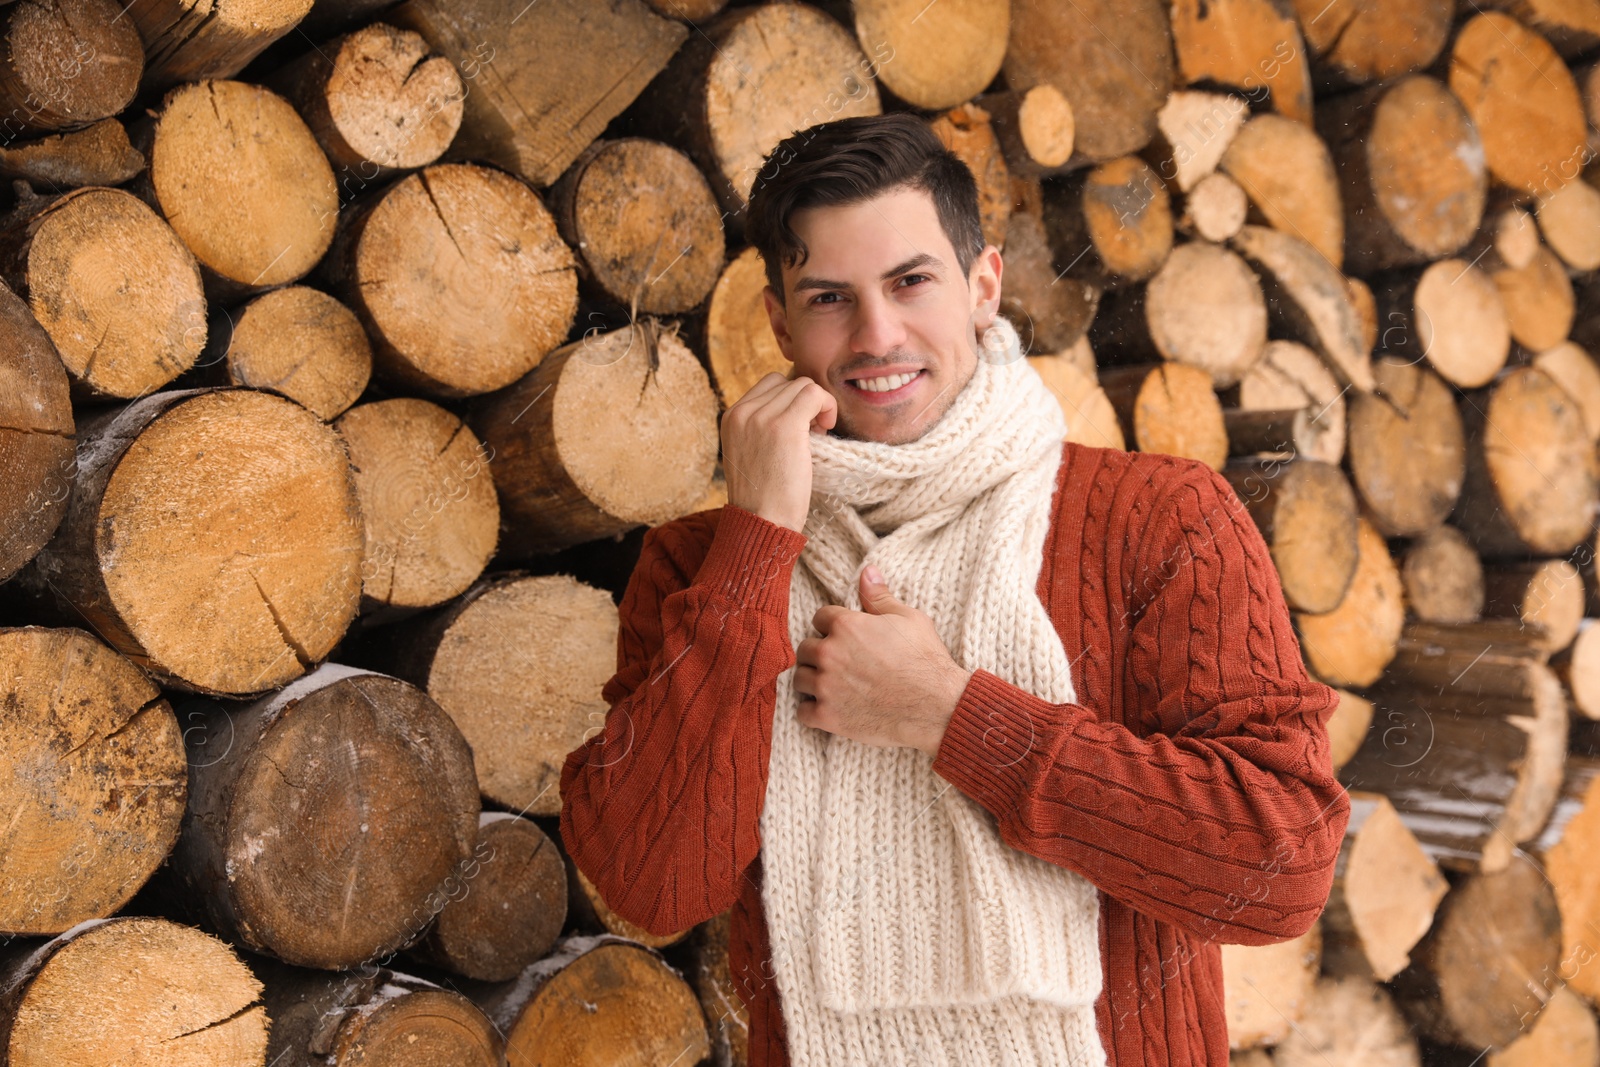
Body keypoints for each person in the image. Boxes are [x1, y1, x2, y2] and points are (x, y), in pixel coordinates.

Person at [559, 112, 1349, 1067]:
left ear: (984, 286)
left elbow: (1282, 865)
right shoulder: (703, 566)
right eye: (827, 297)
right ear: (777, 322)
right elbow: (651, 881)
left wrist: (955, 715)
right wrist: (760, 540)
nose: (876, 333)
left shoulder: (1160, 521)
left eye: (910, 281)